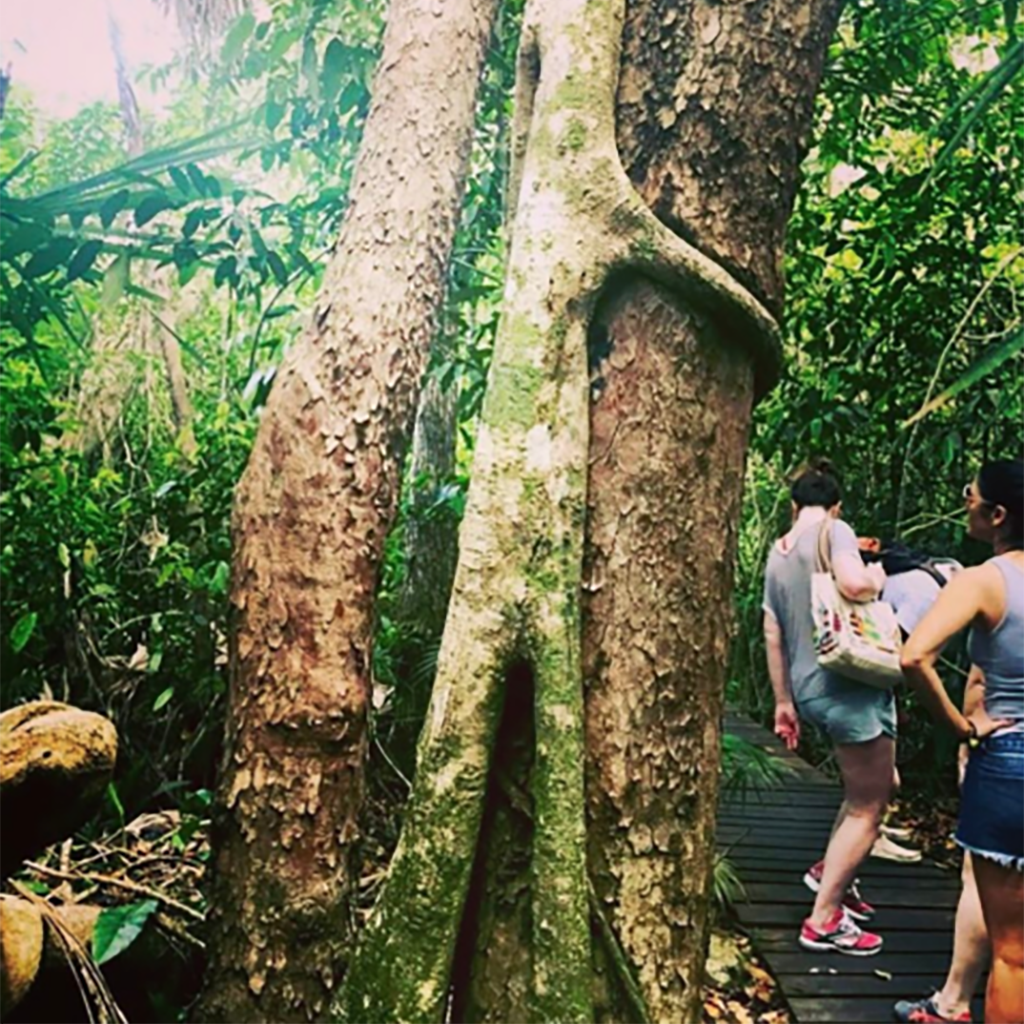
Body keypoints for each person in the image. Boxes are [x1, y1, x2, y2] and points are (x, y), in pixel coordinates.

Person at [899, 460, 1024, 1024]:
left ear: (998, 516)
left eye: (971, 494)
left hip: (1009, 763)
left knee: (1014, 955)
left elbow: (914, 656)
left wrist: (961, 725)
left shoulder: (983, 580)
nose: (964, 498)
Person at [763, 459, 895, 956]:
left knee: (867, 790)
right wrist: (877, 574)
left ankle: (830, 874)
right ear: (834, 505)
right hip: (849, 685)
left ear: (794, 504)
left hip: (809, 688)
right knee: (870, 804)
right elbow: (856, 585)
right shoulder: (837, 530)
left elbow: (772, 632)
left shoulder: (778, 554)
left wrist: (783, 703)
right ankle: (823, 920)